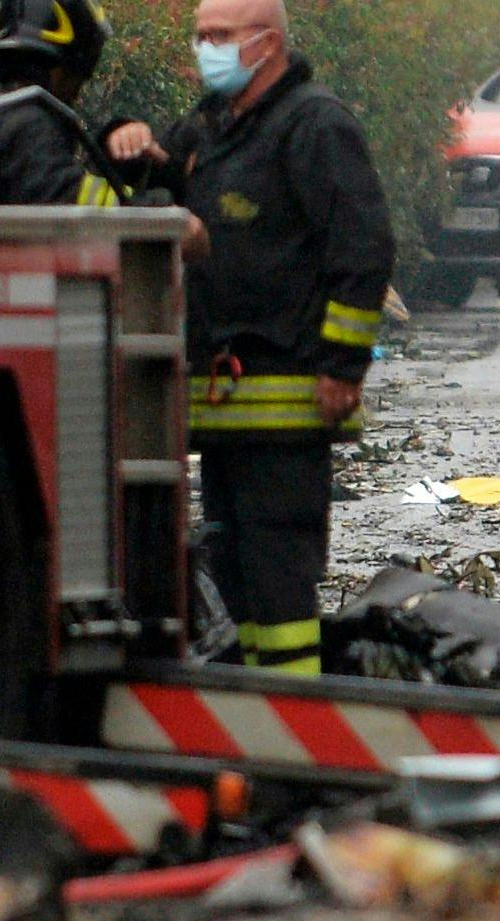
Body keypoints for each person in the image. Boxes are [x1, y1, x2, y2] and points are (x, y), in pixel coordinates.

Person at [108, 0, 394, 676]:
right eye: (200, 36)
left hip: (288, 399)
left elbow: (363, 248)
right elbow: (158, 181)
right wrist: (125, 136)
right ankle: (255, 701)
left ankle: (294, 708)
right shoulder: (211, 127)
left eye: (220, 36)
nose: (205, 49)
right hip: (223, 406)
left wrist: (342, 367)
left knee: (279, 572)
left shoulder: (315, 125)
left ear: (266, 45)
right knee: (233, 569)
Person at [0, 0, 125, 206]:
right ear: (66, 66)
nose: (76, 93)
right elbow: (69, 197)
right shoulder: (31, 125)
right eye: (78, 77)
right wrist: (150, 201)